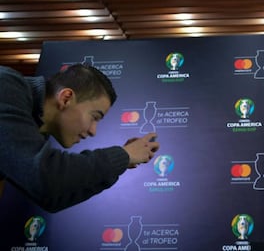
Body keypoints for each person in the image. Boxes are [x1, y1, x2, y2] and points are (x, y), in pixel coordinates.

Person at [0, 64, 160, 213]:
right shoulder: (5, 85)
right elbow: (44, 175)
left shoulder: (34, 126)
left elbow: (51, 199)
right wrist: (123, 155)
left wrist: (122, 163)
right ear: (66, 98)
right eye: (94, 117)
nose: (93, 131)